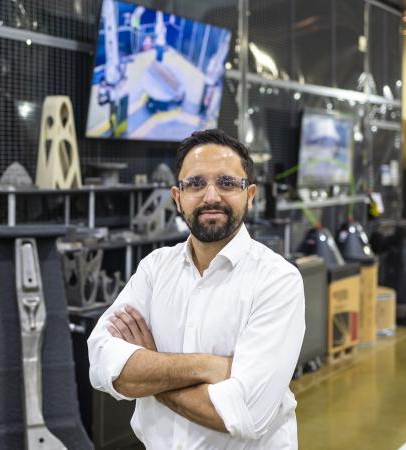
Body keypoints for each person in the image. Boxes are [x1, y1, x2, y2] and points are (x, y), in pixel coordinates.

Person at [87, 129, 305, 449]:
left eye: (227, 183)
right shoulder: (155, 269)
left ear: (251, 194)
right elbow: (102, 362)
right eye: (196, 183)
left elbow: (246, 413)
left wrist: (152, 367)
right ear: (178, 198)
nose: (211, 196)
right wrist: (206, 366)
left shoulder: (277, 281)